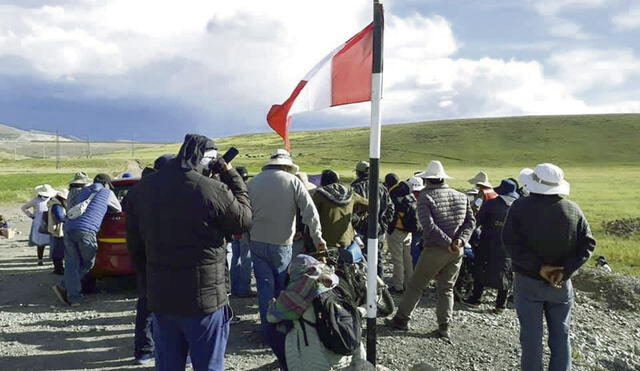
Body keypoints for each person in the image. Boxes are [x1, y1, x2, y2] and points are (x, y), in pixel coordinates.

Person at [126, 135, 251, 371]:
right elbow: (243, 220)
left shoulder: (143, 189)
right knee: (208, 364)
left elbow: (134, 246)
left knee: (169, 364)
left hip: (162, 295)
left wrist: (146, 285)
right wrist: (230, 174)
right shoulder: (213, 190)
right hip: (204, 300)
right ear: (207, 159)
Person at [503, 163, 596, 371]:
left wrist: (539, 268)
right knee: (562, 336)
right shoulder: (573, 209)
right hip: (561, 284)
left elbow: (509, 242)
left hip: (528, 281)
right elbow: (588, 243)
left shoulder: (520, 207)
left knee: (531, 338)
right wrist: (565, 271)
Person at [248, 149, 325, 366]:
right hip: (282, 242)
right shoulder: (292, 181)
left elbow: (245, 211)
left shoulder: (253, 182)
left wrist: (247, 236)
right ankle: (282, 330)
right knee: (282, 287)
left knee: (264, 286)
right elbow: (309, 212)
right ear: (287, 165)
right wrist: (318, 237)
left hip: (257, 240)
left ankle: (266, 330)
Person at [386, 160, 475, 340]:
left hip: (436, 248)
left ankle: (401, 319)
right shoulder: (461, 196)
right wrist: (459, 240)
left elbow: (429, 226)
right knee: (446, 288)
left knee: (416, 285)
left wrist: (448, 242)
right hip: (457, 250)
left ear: (427, 180)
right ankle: (444, 326)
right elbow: (471, 222)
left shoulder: (425, 198)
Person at [266, 255, 367, 370]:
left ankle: (284, 365)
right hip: (345, 351)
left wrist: (272, 306)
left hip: (315, 359)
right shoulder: (337, 284)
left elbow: (272, 317)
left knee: (276, 328)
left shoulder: (297, 292)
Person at [126, 154, 175, 365]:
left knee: (146, 305)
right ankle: (171, 352)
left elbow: (131, 228)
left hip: (142, 256)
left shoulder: (137, 192)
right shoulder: (167, 191)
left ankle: (144, 350)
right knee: (173, 306)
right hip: (163, 257)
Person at [52, 174, 122, 306]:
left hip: (69, 228)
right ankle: (64, 286)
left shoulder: (83, 191)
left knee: (72, 263)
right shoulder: (107, 192)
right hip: (86, 230)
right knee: (88, 263)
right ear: (106, 184)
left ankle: (73, 297)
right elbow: (118, 209)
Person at [461, 179, 519, 312]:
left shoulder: (492, 204)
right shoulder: (518, 207)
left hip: (488, 242)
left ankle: (475, 299)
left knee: (481, 269)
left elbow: (478, 221)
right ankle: (500, 305)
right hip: (509, 245)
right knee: (506, 272)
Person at [351, 161, 394, 277]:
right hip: (378, 229)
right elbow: (390, 207)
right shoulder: (381, 187)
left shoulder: (354, 187)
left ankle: (365, 287)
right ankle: (379, 287)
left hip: (361, 230)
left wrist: (355, 225)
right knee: (378, 257)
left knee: (362, 259)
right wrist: (383, 224)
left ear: (358, 173)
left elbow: (351, 211)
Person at [311, 169, 368, 250]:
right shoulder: (350, 194)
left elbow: (311, 216)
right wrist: (356, 216)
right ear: (337, 180)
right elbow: (369, 205)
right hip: (347, 239)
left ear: (322, 181)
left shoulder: (319, 195)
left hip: (326, 240)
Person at [386, 179, 420, 293]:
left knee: (397, 260)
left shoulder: (396, 199)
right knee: (408, 260)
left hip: (396, 232)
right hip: (408, 232)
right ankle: (409, 284)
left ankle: (398, 286)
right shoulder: (412, 199)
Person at [229, 166, 253, 298]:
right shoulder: (245, 190)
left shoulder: (228, 189)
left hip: (233, 228)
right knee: (246, 258)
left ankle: (234, 288)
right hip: (244, 228)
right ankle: (244, 289)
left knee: (235, 257)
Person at [21, 184, 57, 266]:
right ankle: (40, 259)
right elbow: (24, 207)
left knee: (52, 242)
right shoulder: (36, 200)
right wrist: (31, 216)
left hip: (50, 222)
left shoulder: (53, 199)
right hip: (39, 223)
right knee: (41, 243)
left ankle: (52, 258)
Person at [47, 189, 69, 275]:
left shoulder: (53, 203)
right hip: (58, 230)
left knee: (56, 249)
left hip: (54, 229)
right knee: (59, 250)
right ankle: (58, 268)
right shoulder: (57, 205)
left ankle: (58, 268)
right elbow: (60, 217)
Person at [406, 176, 425, 267]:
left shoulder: (408, 197)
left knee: (414, 249)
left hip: (415, 227)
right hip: (425, 226)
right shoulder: (425, 196)